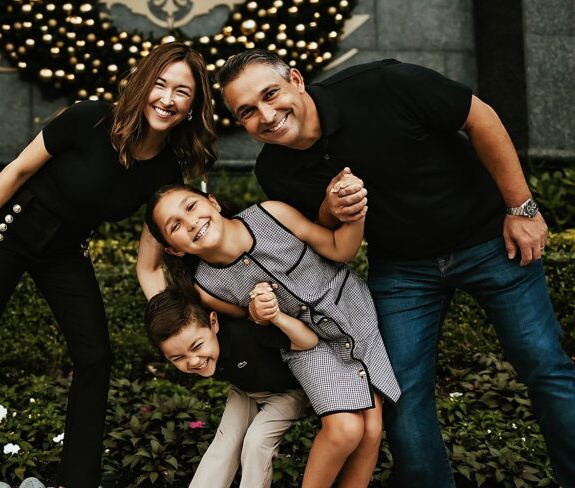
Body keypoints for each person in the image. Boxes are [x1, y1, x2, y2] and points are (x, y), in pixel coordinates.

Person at [217, 49, 575, 486]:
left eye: (271, 94)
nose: (267, 116)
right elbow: (326, 242)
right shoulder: (274, 170)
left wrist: (521, 208)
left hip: (489, 240)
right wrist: (330, 210)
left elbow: (480, 118)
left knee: (544, 366)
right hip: (403, 269)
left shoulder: (383, 86)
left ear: (295, 79)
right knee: (401, 393)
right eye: (248, 112)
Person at [0, 41, 218, 487]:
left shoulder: (168, 170)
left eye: (182, 92)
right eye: (160, 84)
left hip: (64, 253)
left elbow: (148, 263)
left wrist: (176, 326)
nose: (167, 99)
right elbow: (17, 170)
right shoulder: (88, 119)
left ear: (193, 105)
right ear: (142, 84)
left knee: (95, 356)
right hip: (8, 235)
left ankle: (79, 479)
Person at [145, 183, 400, 487]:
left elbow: (338, 248)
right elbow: (250, 325)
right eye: (175, 226)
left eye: (190, 207)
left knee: (372, 429)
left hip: (352, 315)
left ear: (212, 202)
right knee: (344, 429)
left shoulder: (271, 215)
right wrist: (257, 311)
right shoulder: (207, 287)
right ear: (174, 249)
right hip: (305, 343)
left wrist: (355, 214)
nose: (190, 222)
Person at [145, 286, 308, 487]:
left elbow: (305, 342)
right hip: (245, 390)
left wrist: (276, 317)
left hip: (285, 392)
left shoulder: (245, 333)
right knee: (224, 445)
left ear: (214, 323)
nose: (194, 361)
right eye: (178, 358)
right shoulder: (206, 345)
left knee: (256, 443)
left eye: (196, 347)